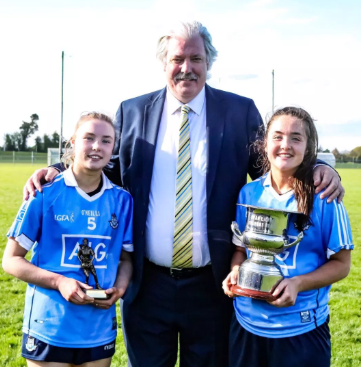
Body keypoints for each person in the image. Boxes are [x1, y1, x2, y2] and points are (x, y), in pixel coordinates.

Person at [23, 22, 344, 367]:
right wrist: (56, 170)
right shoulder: (132, 111)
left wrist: (322, 169)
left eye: (196, 58)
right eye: (178, 59)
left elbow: (274, 165)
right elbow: (108, 165)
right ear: (164, 63)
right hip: (147, 287)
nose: (187, 68)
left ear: (209, 63)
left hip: (213, 285)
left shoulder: (238, 111)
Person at [223, 107, 353, 367]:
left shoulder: (326, 197)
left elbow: (342, 264)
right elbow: (240, 250)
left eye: (296, 138)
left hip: (301, 330)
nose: (285, 145)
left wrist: (298, 284)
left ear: (308, 146)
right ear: (265, 144)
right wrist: (236, 271)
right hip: (246, 325)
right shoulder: (248, 194)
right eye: (278, 136)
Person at [3, 112, 133, 367]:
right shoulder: (43, 192)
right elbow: (11, 260)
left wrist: (119, 288)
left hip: (98, 329)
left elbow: (126, 260)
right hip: (49, 326)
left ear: (113, 147)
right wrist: (60, 281)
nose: (97, 146)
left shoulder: (122, 200)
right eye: (89, 138)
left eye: (106, 140)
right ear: (73, 142)